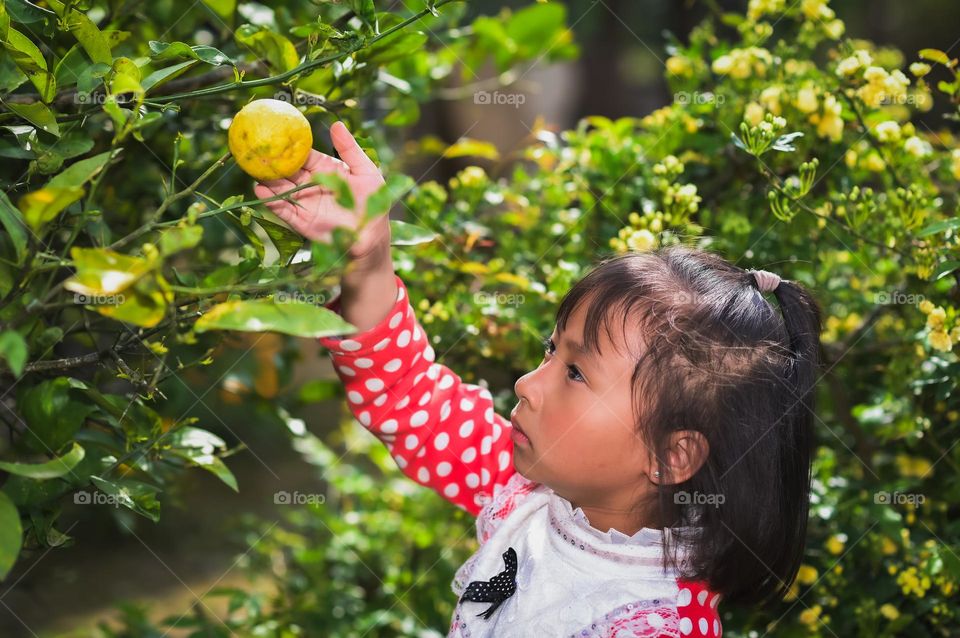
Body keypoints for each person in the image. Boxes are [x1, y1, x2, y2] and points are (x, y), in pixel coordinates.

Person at [253, 121, 824, 637]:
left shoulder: (652, 625)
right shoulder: (525, 490)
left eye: (575, 371)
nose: (528, 382)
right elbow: (406, 391)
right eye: (552, 350)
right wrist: (369, 257)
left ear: (673, 457)